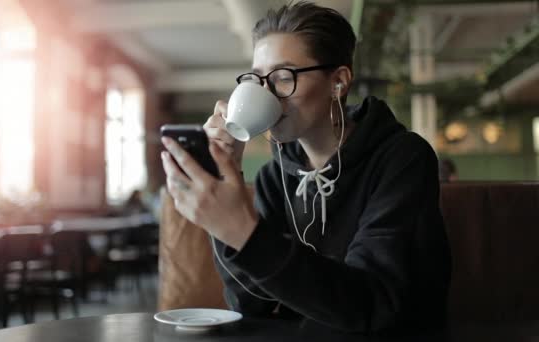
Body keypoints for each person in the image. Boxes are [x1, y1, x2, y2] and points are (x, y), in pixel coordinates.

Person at [160, 1, 451, 334]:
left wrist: (245, 232)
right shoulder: (274, 178)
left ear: (338, 82)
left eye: (283, 77)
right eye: (258, 80)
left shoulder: (402, 159)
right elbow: (252, 303)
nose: (267, 94)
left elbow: (374, 305)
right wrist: (227, 181)